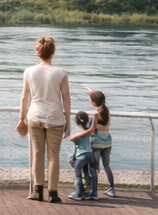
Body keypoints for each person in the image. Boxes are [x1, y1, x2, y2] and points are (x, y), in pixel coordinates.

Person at [16, 36, 71, 204]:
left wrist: (21, 119)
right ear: (52, 52)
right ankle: (53, 193)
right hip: (55, 117)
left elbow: (24, 97)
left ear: (38, 52)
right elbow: (66, 99)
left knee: (37, 154)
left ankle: (38, 192)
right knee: (53, 156)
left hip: (34, 116)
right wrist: (68, 121)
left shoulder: (29, 71)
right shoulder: (61, 73)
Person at [67, 110, 98, 201]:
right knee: (87, 173)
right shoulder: (88, 130)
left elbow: (73, 141)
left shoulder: (77, 132)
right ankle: (89, 192)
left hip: (81, 156)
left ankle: (78, 193)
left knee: (78, 175)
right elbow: (93, 124)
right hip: (90, 155)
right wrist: (94, 116)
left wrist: (73, 157)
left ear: (77, 121)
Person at [90, 90, 116, 198]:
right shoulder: (107, 112)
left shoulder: (96, 115)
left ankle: (94, 191)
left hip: (97, 144)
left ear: (94, 103)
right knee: (107, 166)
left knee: (94, 167)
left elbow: (92, 130)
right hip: (108, 142)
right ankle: (112, 188)